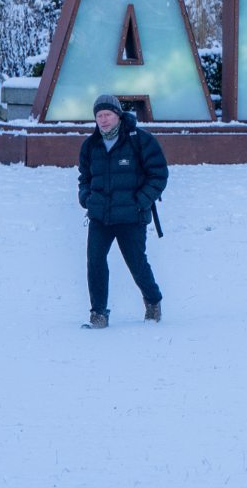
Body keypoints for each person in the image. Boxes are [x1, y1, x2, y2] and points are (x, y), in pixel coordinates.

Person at [77, 94, 168, 329]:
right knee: (95, 262)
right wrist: (86, 198)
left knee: (136, 263)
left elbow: (158, 174)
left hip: (132, 216)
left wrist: (141, 200)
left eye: (107, 114)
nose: (103, 120)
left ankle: (153, 301)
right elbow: (84, 178)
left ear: (118, 115)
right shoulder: (90, 146)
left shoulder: (140, 141)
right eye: (99, 116)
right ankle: (98, 314)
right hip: (100, 216)